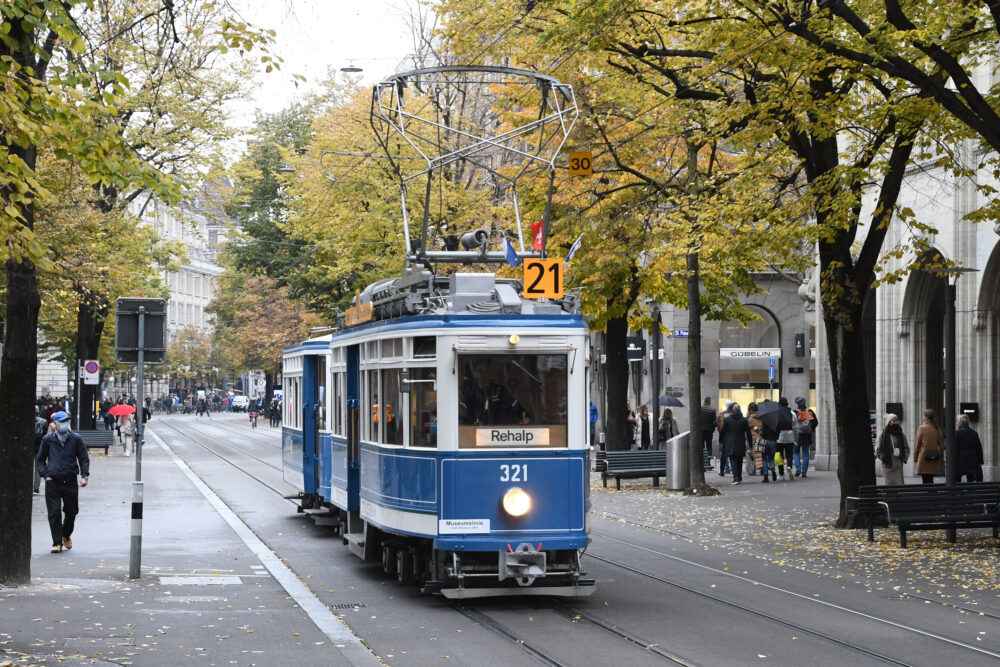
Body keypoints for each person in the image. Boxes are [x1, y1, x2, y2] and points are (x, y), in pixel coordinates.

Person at [36, 411, 90, 553]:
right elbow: (40, 459)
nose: (65, 424)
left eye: (67, 421)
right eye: (62, 421)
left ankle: (65, 534)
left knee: (72, 512)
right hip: (53, 481)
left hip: (70, 480)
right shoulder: (48, 439)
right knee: (54, 513)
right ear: (56, 424)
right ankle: (57, 543)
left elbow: (83, 458)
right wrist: (45, 474)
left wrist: (84, 476)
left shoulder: (76, 439)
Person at [719, 401, 751, 485]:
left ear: (733, 410)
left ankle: (735, 477)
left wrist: (721, 440)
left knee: (732, 459)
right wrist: (750, 444)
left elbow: (722, 431)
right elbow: (748, 433)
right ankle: (739, 477)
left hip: (730, 442)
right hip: (740, 442)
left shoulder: (727, 420)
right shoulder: (744, 420)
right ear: (740, 410)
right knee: (739, 460)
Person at [913, 408, 944, 484]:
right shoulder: (937, 428)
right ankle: (932, 493)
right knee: (930, 478)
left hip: (924, 458)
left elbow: (917, 444)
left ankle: (929, 494)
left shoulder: (922, 428)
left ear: (926, 417)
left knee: (925, 479)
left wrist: (915, 456)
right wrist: (942, 458)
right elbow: (941, 445)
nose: (923, 417)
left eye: (924, 416)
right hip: (935, 457)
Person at [876, 413, 909, 485]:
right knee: (889, 486)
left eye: (897, 420)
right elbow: (878, 448)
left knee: (898, 485)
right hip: (888, 463)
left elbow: (906, 447)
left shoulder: (900, 434)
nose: (896, 422)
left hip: (898, 463)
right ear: (889, 422)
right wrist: (883, 457)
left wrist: (904, 458)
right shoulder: (883, 434)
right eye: (894, 420)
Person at [792, 397, 818, 478]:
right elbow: (816, 422)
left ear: (797, 404)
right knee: (806, 454)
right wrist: (810, 429)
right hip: (807, 436)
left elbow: (791, 423)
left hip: (797, 436)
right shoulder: (810, 411)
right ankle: (804, 472)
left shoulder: (794, 412)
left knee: (795, 452)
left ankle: (798, 468)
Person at [954, 414, 984, 483]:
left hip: (959, 462)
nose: (957, 423)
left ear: (960, 422)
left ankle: (959, 493)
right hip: (972, 462)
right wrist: (980, 461)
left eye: (957, 422)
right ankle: (970, 493)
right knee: (970, 481)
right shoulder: (974, 433)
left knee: (957, 480)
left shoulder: (957, 433)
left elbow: (954, 449)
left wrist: (951, 460)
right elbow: (979, 448)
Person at [757, 399, 780, 482]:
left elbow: (762, 432)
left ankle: (766, 476)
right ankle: (773, 469)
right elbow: (778, 430)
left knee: (764, 458)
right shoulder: (776, 419)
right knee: (771, 458)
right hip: (773, 441)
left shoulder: (764, 419)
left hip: (764, 440)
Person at [775, 397, 796, 480]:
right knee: (789, 454)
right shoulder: (792, 413)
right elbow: (795, 426)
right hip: (790, 437)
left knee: (779, 455)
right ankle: (789, 467)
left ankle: (781, 473)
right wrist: (795, 437)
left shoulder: (777, 413)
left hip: (779, 437)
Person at [716, 400, 735, 476]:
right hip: (733, 439)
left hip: (725, 439)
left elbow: (720, 429)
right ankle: (733, 471)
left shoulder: (723, 416)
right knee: (732, 455)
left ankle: (723, 470)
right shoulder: (736, 417)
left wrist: (720, 439)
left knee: (724, 455)